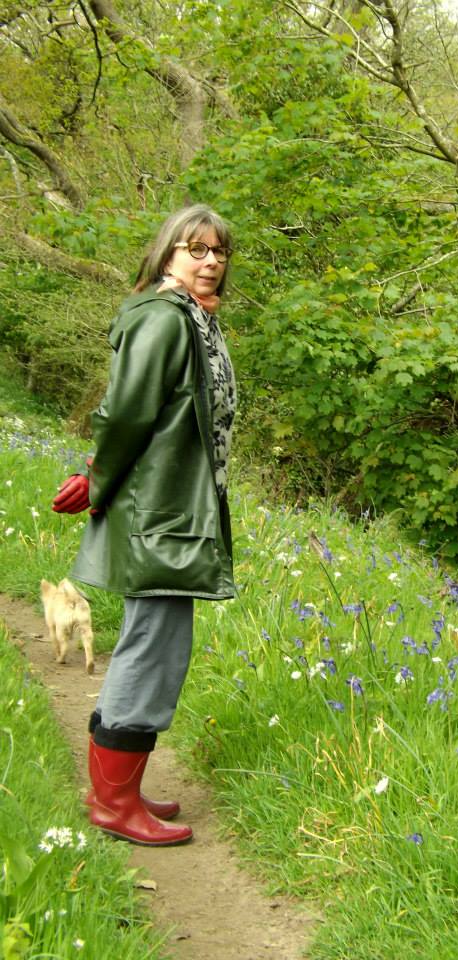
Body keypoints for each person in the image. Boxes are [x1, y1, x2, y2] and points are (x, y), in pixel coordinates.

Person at [52, 204, 237, 846]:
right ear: (168, 254)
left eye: (219, 252)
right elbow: (128, 412)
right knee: (152, 648)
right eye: (197, 248)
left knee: (156, 643)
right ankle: (111, 804)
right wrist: (98, 479)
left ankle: (120, 789)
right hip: (158, 511)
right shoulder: (165, 320)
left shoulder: (191, 320)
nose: (211, 261)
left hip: (172, 507)